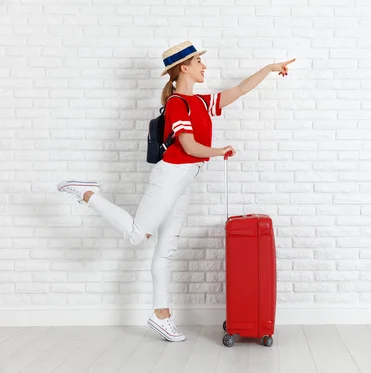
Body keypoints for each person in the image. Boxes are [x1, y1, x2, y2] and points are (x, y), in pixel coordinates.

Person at [57, 40, 295, 342]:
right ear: (184, 68)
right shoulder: (176, 104)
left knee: (165, 250)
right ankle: (87, 194)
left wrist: (270, 69)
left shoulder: (201, 102)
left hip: (184, 180)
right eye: (199, 63)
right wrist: (219, 150)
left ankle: (161, 315)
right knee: (136, 235)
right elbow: (189, 146)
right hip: (169, 176)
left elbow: (240, 90)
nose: (204, 67)